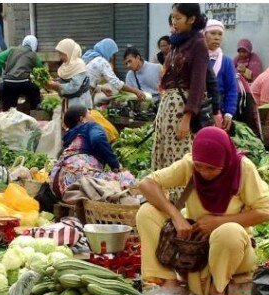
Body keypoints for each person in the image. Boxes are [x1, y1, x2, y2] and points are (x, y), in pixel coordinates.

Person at [137, 126, 269, 295]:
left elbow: (265, 211)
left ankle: (218, 290)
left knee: (229, 231)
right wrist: (176, 216)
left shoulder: (242, 169)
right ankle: (167, 282)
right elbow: (146, 184)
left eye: (212, 168)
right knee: (147, 212)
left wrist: (218, 222)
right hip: (194, 248)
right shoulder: (190, 164)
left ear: (225, 162)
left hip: (232, 252)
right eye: (199, 167)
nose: (204, 173)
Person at [152, 3, 209, 171]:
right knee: (162, 154)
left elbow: (198, 84)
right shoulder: (177, 43)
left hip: (180, 109)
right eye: (172, 18)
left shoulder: (198, 44)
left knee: (178, 156)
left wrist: (187, 118)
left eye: (178, 18)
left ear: (191, 19)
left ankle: (179, 197)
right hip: (167, 107)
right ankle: (163, 195)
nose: (174, 22)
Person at [49, 105, 135, 199]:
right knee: (127, 178)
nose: (92, 116)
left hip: (57, 184)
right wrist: (115, 164)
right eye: (89, 113)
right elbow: (98, 139)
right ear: (82, 119)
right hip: (79, 179)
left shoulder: (69, 136)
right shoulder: (90, 125)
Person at [83, 38, 146, 103]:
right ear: (107, 50)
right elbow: (116, 83)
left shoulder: (91, 58)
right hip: (84, 95)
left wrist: (101, 88)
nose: (111, 57)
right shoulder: (101, 61)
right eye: (111, 53)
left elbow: (89, 81)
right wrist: (136, 91)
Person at [204, 19, 237, 132]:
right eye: (212, 33)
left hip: (218, 112)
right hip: (200, 111)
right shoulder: (198, 58)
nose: (217, 37)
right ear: (204, 35)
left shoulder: (226, 61)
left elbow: (232, 89)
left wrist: (229, 113)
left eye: (220, 34)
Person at [0, 35, 44, 110]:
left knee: (8, 109)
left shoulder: (12, 50)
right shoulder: (33, 55)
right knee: (35, 89)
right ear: (34, 44)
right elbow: (41, 70)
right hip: (24, 84)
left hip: (8, 83)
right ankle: (35, 108)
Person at [46, 38, 92, 109]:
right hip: (70, 101)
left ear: (68, 52)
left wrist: (57, 85)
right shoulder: (67, 64)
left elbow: (74, 87)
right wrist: (56, 81)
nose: (60, 57)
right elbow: (66, 78)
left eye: (61, 54)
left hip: (79, 102)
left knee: (78, 119)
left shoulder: (79, 65)